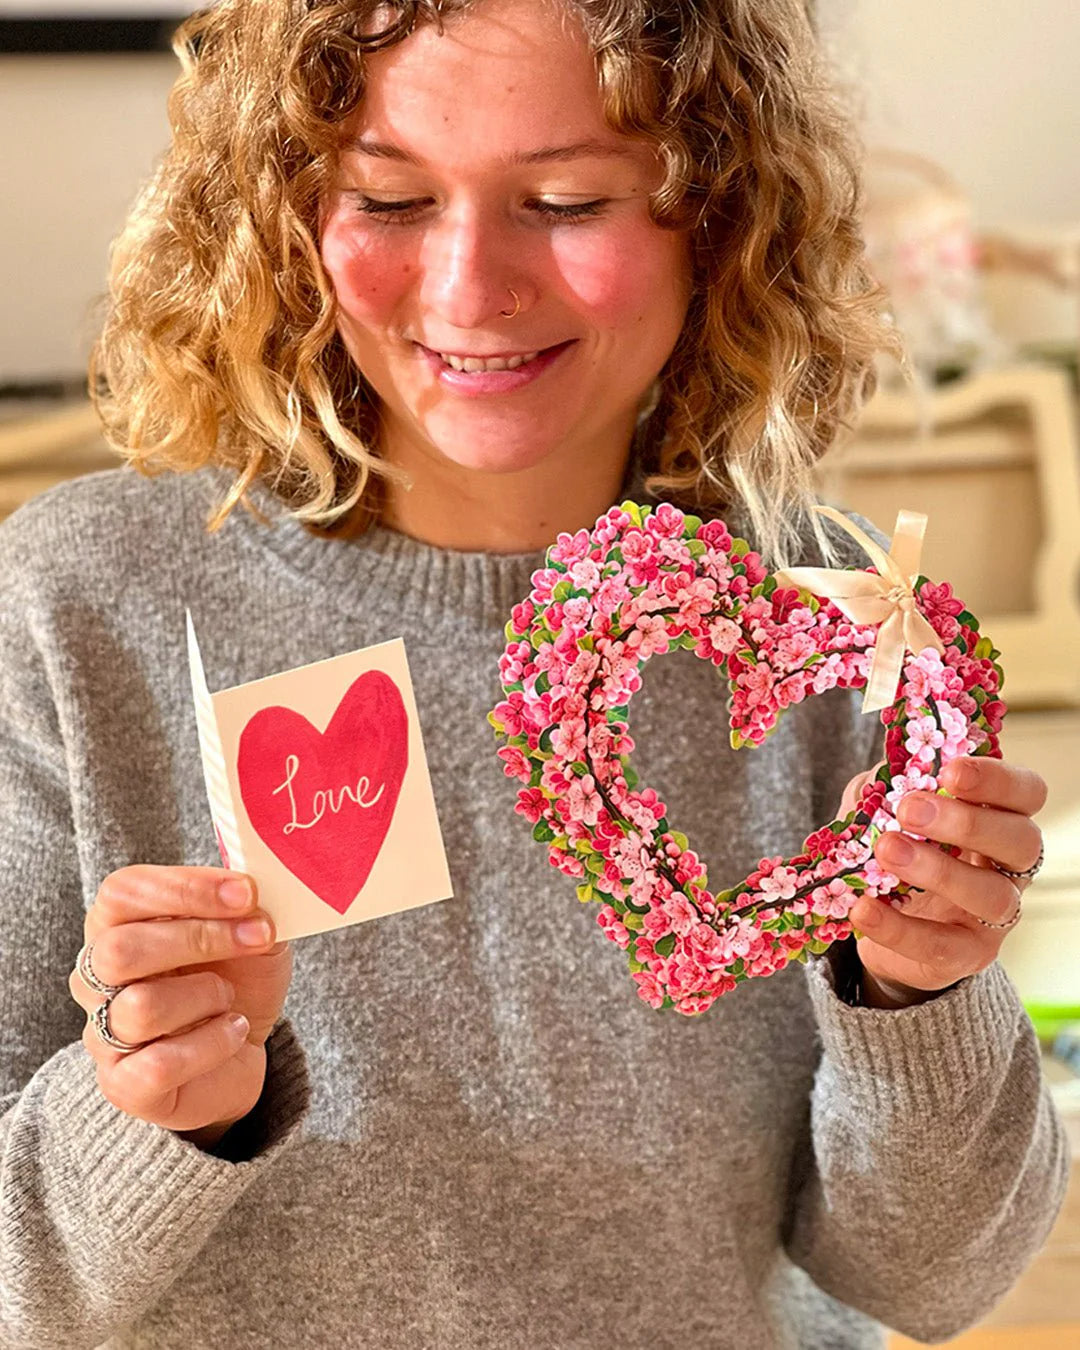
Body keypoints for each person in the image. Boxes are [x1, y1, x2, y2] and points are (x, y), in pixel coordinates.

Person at [0, 1, 1068, 1346]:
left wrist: (917, 997)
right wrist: (148, 1110)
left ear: (716, 216)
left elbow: (930, 1279)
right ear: (283, 212)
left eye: (565, 200)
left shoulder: (839, 627)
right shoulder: (74, 610)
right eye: (388, 199)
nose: (468, 290)